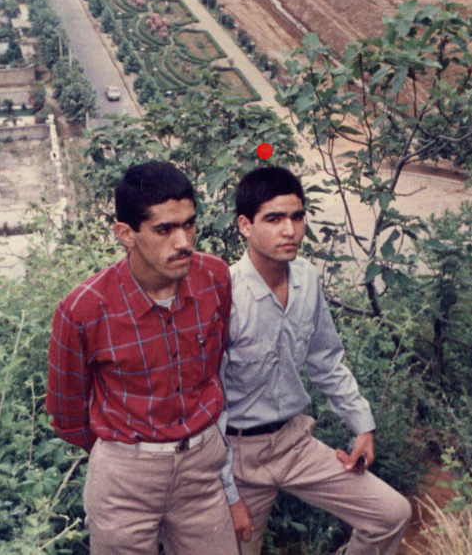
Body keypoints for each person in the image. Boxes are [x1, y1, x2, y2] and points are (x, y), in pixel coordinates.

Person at [47, 161, 238, 555]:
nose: (183, 242)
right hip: (125, 479)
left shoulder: (214, 277)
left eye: (189, 224)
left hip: (202, 469)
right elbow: (67, 414)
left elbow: (212, 366)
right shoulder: (84, 309)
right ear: (126, 234)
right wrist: (126, 454)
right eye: (164, 229)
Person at [221, 166, 412, 555]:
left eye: (297, 217)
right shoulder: (225, 294)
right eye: (274, 219)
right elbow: (209, 404)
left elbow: (325, 359)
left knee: (391, 514)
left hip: (294, 442)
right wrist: (228, 493)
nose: (289, 230)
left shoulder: (306, 278)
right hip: (239, 456)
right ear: (245, 225)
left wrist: (362, 424)